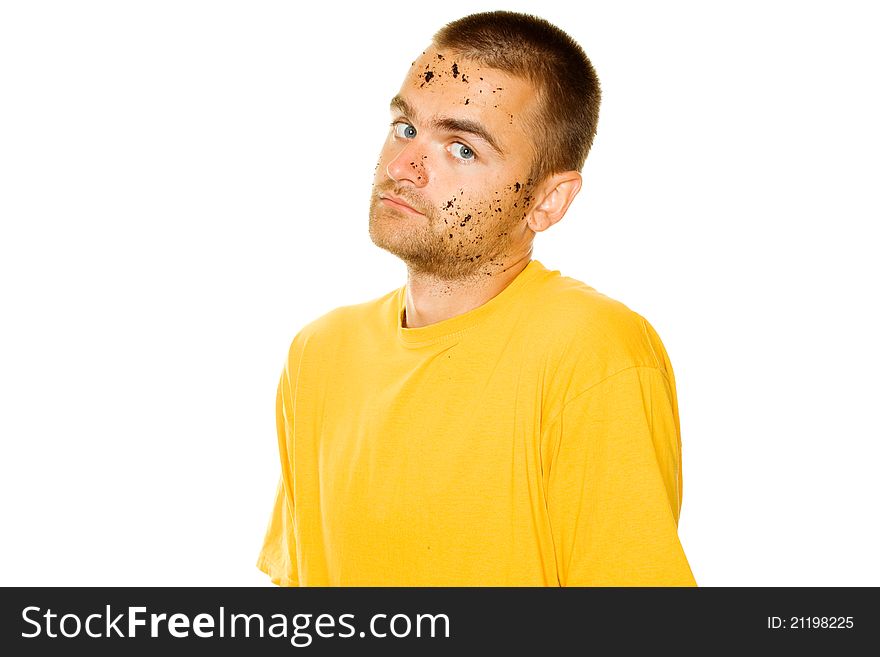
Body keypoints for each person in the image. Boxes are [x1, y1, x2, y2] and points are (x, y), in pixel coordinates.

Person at [256, 10, 697, 586]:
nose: (402, 166)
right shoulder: (318, 354)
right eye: (406, 127)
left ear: (548, 201)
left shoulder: (590, 351)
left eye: (462, 148)